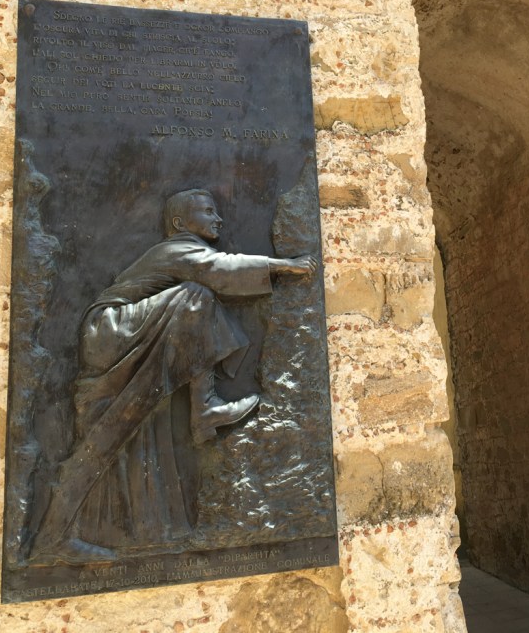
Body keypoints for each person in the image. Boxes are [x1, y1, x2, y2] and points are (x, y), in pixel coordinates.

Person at [28, 189, 316, 564]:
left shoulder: (184, 251)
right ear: (180, 224)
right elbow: (220, 270)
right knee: (196, 294)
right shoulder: (177, 248)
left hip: (120, 333)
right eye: (208, 211)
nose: (219, 219)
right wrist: (284, 266)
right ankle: (205, 407)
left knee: (105, 438)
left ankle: (51, 539)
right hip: (111, 331)